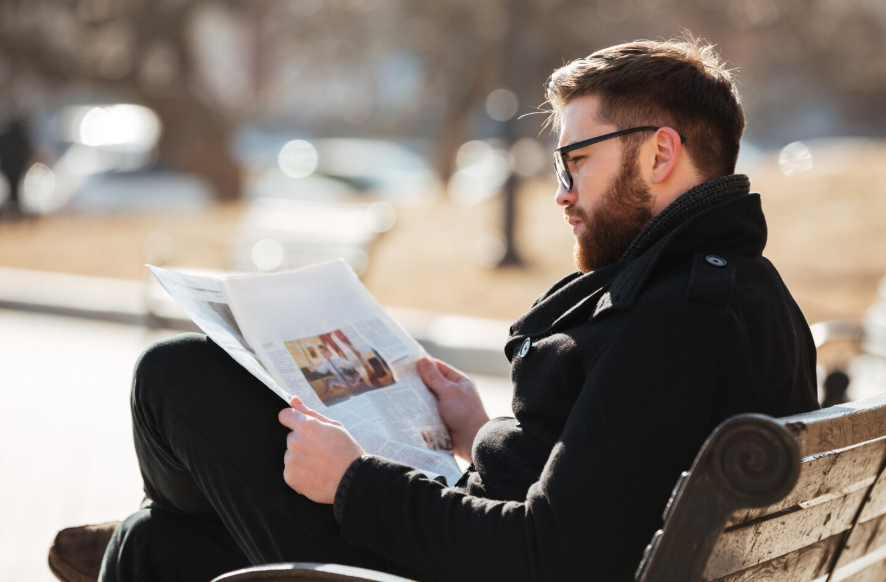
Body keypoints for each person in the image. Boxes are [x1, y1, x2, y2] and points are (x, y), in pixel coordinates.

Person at [49, 35, 820, 582]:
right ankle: (157, 533)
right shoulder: (743, 295)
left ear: (659, 153)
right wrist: (481, 433)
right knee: (159, 549)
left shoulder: (678, 321)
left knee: (176, 379)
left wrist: (354, 481)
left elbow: (549, 556)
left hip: (442, 563)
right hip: (466, 542)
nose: (562, 192)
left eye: (577, 161)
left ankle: (167, 525)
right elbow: (609, 480)